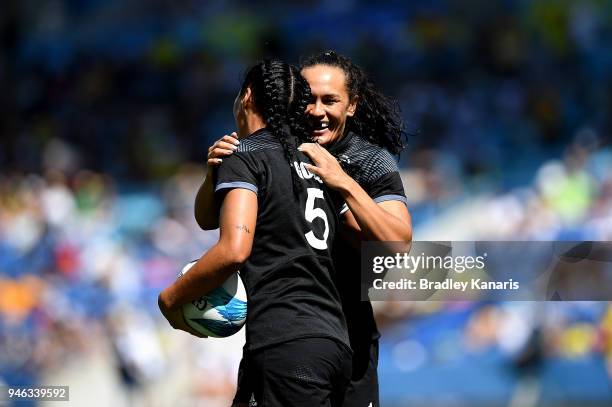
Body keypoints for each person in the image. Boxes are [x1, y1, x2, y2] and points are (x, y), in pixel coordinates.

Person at [199, 51, 412, 407]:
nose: (316, 111)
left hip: (350, 335)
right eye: (308, 99)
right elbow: (208, 220)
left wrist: (342, 182)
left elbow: (398, 244)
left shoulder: (369, 159)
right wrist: (214, 175)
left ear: (352, 105)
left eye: (330, 100)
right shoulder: (276, 149)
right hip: (289, 332)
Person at [159, 59, 352, 406]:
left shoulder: (249, 155)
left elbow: (234, 250)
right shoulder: (315, 160)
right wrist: (212, 174)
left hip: (285, 343)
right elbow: (207, 219)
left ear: (246, 96)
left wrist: (170, 299)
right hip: (331, 343)